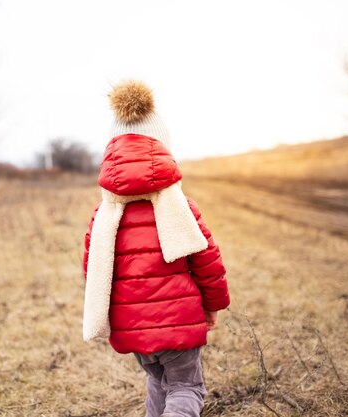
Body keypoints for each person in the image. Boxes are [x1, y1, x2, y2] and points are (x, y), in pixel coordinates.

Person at [82, 80, 230, 417]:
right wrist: (214, 305)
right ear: (162, 149)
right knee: (185, 387)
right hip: (179, 322)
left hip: (130, 326)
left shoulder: (103, 215)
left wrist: (108, 317)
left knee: (159, 382)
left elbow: (92, 273)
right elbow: (208, 260)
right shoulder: (180, 206)